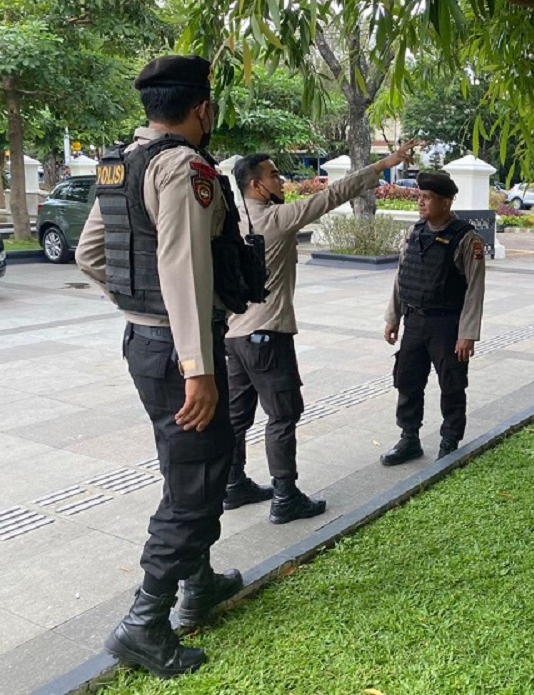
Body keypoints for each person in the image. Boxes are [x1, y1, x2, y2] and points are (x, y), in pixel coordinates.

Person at [76, 55, 265, 679]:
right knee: (197, 484)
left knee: (185, 468)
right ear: (202, 109)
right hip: (185, 353)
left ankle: (199, 582)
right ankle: (144, 623)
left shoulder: (117, 162)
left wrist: (140, 306)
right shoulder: (184, 166)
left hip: (144, 343)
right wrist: (198, 366)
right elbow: (185, 267)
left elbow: (91, 254)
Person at [224, 142, 416, 523]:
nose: (281, 180)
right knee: (283, 415)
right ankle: (285, 497)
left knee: (236, 417)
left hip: (234, 336)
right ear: (256, 186)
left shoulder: (232, 222)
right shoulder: (276, 219)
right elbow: (333, 195)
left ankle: (233, 484)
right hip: (268, 335)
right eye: (274, 175)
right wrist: (385, 163)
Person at [379, 172, 487, 466]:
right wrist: (393, 317)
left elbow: (475, 290)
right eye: (419, 197)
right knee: (407, 380)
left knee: (452, 383)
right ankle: (409, 438)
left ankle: (450, 440)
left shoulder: (467, 238)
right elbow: (403, 276)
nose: (420, 203)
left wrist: (467, 334)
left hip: (447, 325)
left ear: (446, 201)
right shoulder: (414, 232)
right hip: (414, 321)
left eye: (426, 198)